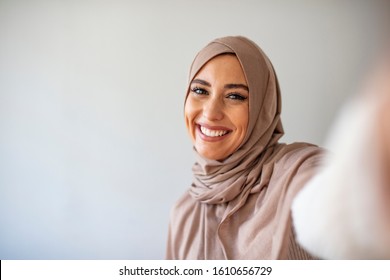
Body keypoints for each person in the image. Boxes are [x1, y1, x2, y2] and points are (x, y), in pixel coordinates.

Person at [166, 35, 390, 259]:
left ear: (263, 108)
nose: (211, 113)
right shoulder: (183, 213)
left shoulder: (296, 173)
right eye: (200, 91)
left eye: (235, 96)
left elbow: (347, 201)